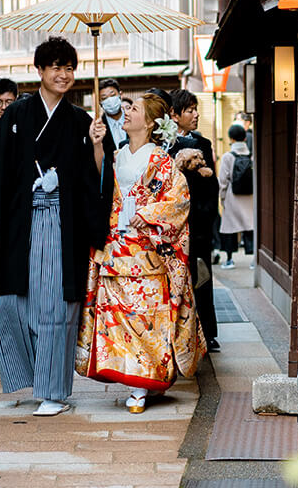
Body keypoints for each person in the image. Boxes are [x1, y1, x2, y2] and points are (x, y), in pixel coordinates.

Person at [0, 37, 113, 417]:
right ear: (39, 71)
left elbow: (96, 180)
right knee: (13, 305)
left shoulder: (83, 122)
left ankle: (53, 391)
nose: (63, 74)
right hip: (20, 224)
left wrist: (98, 147)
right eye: (55, 67)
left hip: (61, 227)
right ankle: (29, 377)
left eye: (69, 67)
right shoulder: (15, 116)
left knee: (55, 307)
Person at [77, 94, 205, 414]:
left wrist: (149, 214)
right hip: (116, 246)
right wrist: (95, 145)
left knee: (144, 318)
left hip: (147, 250)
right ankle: (132, 375)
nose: (127, 112)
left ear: (149, 122)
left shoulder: (161, 160)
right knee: (117, 317)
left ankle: (142, 382)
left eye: (133, 109)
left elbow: (179, 200)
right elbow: (99, 183)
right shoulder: (118, 154)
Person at [169, 89, 220, 351]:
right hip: (174, 225)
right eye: (189, 110)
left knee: (202, 276)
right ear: (174, 115)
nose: (196, 114)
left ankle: (207, 332)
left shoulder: (204, 144)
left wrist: (206, 215)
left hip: (198, 223)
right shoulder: (164, 145)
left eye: (195, 109)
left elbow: (213, 186)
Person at [217, 123, 254, 268]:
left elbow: (223, 180)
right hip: (250, 197)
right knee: (250, 225)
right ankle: (252, 260)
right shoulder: (251, 156)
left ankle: (229, 259)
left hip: (233, 196)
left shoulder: (228, 157)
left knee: (230, 228)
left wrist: (222, 198)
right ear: (245, 138)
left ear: (231, 139)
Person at [97, 78, 129, 150]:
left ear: (120, 95)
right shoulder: (98, 127)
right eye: (104, 98)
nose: (110, 100)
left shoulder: (133, 119)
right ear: (100, 102)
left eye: (112, 95)